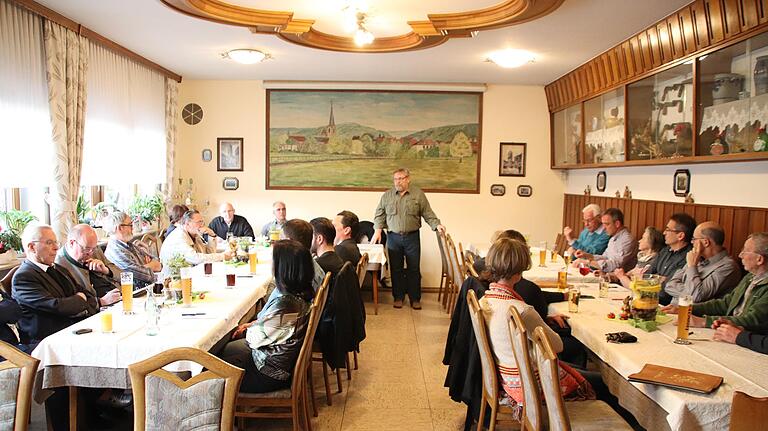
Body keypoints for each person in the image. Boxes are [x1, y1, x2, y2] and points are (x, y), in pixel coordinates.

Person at [479, 238, 593, 417]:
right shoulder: (521, 310)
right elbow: (557, 346)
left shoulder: (484, 301)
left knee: (580, 371)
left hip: (504, 378)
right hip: (527, 385)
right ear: (519, 272)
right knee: (600, 383)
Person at [12, 224, 99, 431]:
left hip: (70, 329)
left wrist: (76, 300)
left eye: (55, 242)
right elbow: (57, 306)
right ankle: (69, 423)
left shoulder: (57, 269)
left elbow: (88, 295)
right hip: (46, 340)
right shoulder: (24, 277)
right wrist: (76, 301)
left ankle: (96, 412)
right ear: (32, 247)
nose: (55, 248)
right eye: (49, 243)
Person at [219, 240, 314, 393]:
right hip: (277, 361)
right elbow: (272, 326)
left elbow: (255, 339)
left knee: (208, 371)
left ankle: (224, 414)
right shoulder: (298, 292)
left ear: (283, 268)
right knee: (225, 352)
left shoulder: (287, 305)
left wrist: (246, 331)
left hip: (269, 373)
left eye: (273, 261)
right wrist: (253, 324)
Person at [662, 232, 768, 332]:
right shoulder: (750, 277)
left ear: (759, 259)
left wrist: (704, 322)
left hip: (744, 337)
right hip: (727, 330)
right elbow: (725, 304)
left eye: (745, 251)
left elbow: (752, 320)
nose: (740, 255)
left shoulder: (728, 266)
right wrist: (687, 308)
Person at [372, 168, 445, 310]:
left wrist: (437, 225)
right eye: (395, 179)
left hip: (412, 237)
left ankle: (415, 298)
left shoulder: (418, 195)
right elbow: (379, 214)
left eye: (401, 178)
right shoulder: (387, 196)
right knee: (396, 269)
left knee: (413, 268)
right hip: (393, 237)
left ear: (408, 179)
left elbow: (427, 213)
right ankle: (398, 297)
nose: (398, 182)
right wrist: (378, 230)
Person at [662, 221, 740, 305]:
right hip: (672, 310)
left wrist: (692, 266)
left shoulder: (728, 267)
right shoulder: (698, 258)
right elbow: (669, 285)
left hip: (695, 315)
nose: (692, 242)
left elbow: (696, 296)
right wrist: (689, 294)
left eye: (694, 239)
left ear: (706, 242)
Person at [55, 224, 122, 307]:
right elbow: (71, 304)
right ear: (72, 243)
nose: (90, 253)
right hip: (98, 309)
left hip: (120, 296)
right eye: (86, 249)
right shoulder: (58, 264)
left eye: (93, 249)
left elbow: (122, 275)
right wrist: (100, 302)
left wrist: (106, 270)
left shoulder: (95, 250)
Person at [104, 211, 162, 288]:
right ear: (120, 228)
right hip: (134, 293)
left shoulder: (129, 244)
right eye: (130, 225)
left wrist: (143, 266)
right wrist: (151, 266)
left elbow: (157, 262)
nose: (133, 228)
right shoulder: (115, 250)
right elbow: (142, 275)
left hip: (147, 287)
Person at [573, 208, 637, 273]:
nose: (604, 227)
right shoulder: (613, 237)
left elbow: (615, 265)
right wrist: (586, 255)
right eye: (603, 224)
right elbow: (605, 257)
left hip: (618, 280)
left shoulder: (627, 239)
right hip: (605, 275)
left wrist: (587, 262)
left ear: (617, 224)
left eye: (607, 224)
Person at [159, 210, 230, 268]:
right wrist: (223, 256)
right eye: (199, 222)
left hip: (190, 271)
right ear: (187, 224)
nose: (202, 225)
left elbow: (208, 254)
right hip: (175, 277)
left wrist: (212, 235)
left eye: (202, 221)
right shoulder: (179, 237)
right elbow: (196, 258)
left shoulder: (194, 234)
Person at [644, 213, 697, 288]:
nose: (664, 233)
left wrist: (656, 278)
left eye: (668, 229)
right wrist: (659, 278)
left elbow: (670, 285)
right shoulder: (665, 250)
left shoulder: (688, 256)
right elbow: (646, 274)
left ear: (680, 236)